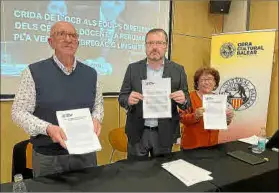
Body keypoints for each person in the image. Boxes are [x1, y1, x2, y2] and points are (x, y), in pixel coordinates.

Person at [11, 21, 104, 177]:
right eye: (61, 34)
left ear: (78, 42)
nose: (68, 39)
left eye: (73, 35)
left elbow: (98, 105)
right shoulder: (34, 71)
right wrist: (48, 128)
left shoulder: (91, 73)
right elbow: (18, 112)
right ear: (50, 42)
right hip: (49, 157)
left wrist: (96, 119)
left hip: (85, 154)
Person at [118, 28, 191, 160]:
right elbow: (122, 97)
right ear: (145, 46)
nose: (154, 47)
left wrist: (184, 100)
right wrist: (127, 100)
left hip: (164, 133)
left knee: (161, 174)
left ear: (166, 46)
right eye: (150, 43)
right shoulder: (133, 69)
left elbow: (187, 103)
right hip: (138, 132)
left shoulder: (178, 70)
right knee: (136, 172)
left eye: (159, 43)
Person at [179, 67, 234, 150]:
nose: (207, 82)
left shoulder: (218, 99)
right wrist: (195, 115)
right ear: (197, 83)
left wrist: (228, 119)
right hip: (192, 146)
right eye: (203, 80)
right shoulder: (189, 97)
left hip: (213, 145)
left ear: (215, 83)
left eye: (210, 79)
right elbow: (182, 118)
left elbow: (222, 122)